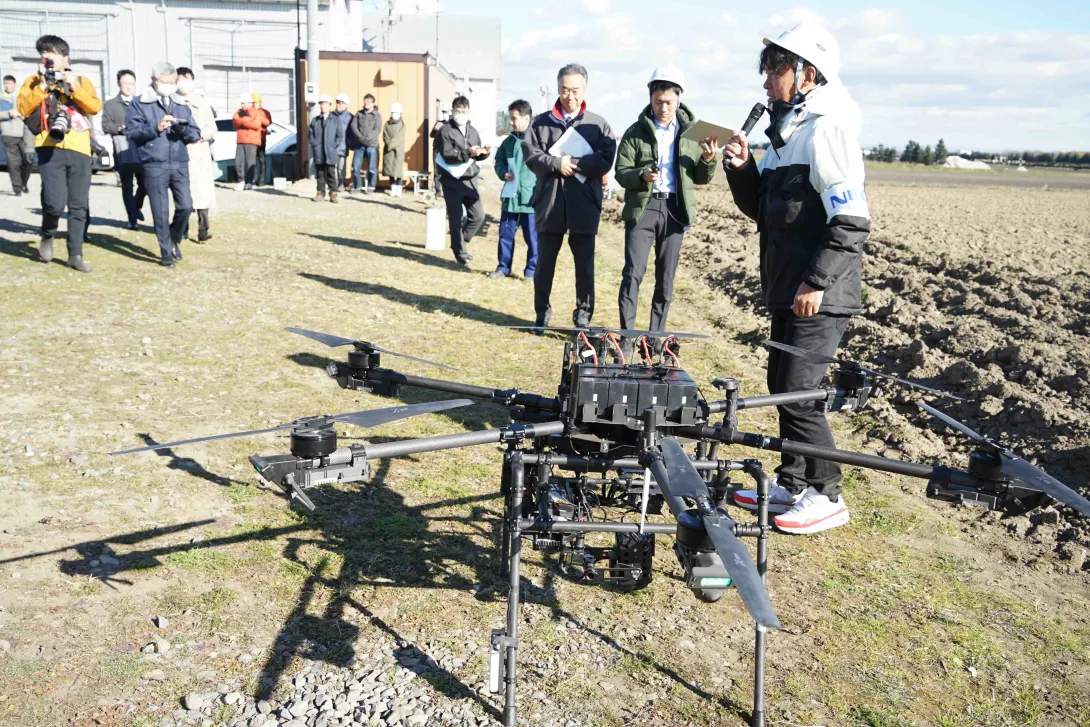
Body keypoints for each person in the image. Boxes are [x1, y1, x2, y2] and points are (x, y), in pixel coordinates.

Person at [723, 23, 870, 535]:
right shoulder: (788, 135)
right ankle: (793, 480)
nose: (765, 81)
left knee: (800, 391)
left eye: (775, 69)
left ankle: (827, 494)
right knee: (780, 386)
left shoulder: (826, 129)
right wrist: (743, 168)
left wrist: (816, 281)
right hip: (789, 287)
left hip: (818, 292)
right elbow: (764, 212)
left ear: (807, 74)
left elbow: (851, 221)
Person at [614, 65, 718, 338]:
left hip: (674, 210)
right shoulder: (635, 132)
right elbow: (621, 172)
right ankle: (626, 338)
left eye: (669, 102)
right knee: (633, 274)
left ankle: (656, 339)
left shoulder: (694, 133)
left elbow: (701, 177)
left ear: (679, 99)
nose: (663, 107)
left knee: (666, 279)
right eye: (658, 102)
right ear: (650, 99)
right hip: (643, 209)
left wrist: (708, 159)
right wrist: (641, 175)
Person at [523, 63, 616, 328]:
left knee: (585, 267)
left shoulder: (598, 125)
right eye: (565, 90)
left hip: (584, 204)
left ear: (584, 89)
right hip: (549, 202)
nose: (570, 96)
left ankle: (583, 317)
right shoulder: (541, 123)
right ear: (558, 89)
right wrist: (556, 164)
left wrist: (575, 162)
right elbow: (531, 155)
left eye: (575, 90)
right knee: (545, 264)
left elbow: (606, 158)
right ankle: (541, 313)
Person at [17, 34, 102, 271]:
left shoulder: (81, 80)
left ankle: (75, 254)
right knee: (54, 203)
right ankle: (48, 233)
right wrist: (42, 87)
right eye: (43, 54)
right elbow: (23, 107)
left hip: (79, 147)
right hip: (49, 146)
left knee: (78, 204)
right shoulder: (33, 81)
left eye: (51, 53)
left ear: (65, 57)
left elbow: (95, 107)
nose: (46, 57)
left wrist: (74, 87)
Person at [126, 61, 200, 269]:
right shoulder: (140, 103)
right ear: (154, 81)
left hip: (179, 162)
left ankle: (174, 237)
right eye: (165, 82)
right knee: (160, 211)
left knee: (186, 205)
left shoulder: (180, 104)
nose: (169, 85)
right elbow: (132, 133)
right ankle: (166, 252)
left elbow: (195, 132)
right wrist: (156, 128)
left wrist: (183, 130)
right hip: (153, 163)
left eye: (172, 82)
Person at [433, 96, 491, 267]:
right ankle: (460, 253)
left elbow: (477, 155)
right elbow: (448, 155)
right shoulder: (445, 131)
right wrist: (467, 152)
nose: (461, 115)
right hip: (452, 180)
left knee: (478, 216)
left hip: (470, 179)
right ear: (452, 112)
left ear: (469, 111)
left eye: (464, 111)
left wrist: (484, 152)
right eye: (458, 111)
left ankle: (460, 240)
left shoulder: (473, 131)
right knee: (456, 217)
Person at [490, 99, 537, 281]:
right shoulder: (508, 141)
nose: (511, 122)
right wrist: (503, 173)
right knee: (505, 235)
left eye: (514, 118)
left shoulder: (537, 140)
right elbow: (499, 161)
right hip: (510, 198)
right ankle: (503, 268)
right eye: (510, 118)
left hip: (530, 199)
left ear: (526, 118)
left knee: (533, 238)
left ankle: (532, 272)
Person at [101, 69, 146, 229]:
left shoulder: (141, 102)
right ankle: (132, 219)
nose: (128, 87)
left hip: (141, 149)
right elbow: (105, 125)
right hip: (122, 150)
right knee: (127, 185)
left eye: (131, 84)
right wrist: (119, 128)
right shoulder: (110, 104)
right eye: (125, 83)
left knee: (145, 183)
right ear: (118, 84)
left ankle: (136, 206)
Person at [176, 67, 216, 242]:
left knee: (203, 193)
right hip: (180, 152)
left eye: (187, 78)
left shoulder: (201, 102)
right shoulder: (172, 102)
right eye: (181, 78)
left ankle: (203, 229)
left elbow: (212, 127)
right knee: (182, 192)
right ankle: (182, 229)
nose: (184, 82)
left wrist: (203, 135)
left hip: (199, 151)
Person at [1, 74, 35, 196]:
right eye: (6, 83)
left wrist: (19, 114)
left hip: (24, 132)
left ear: (15, 84)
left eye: (10, 83)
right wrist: (7, 114)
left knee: (28, 161)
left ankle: (23, 183)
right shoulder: (1, 98)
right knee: (13, 163)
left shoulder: (22, 97)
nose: (8, 86)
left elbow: (30, 112)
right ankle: (17, 188)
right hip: (8, 133)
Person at [309, 94, 342, 203]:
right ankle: (320, 193)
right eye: (321, 104)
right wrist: (315, 145)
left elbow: (339, 135)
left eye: (324, 104)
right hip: (319, 151)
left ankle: (333, 193)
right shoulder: (315, 120)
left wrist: (333, 145)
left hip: (330, 152)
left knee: (332, 174)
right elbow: (311, 134)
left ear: (329, 106)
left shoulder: (335, 120)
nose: (322, 106)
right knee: (320, 174)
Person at [348, 93, 380, 193]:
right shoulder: (359, 114)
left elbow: (377, 129)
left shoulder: (376, 115)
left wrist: (368, 138)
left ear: (373, 103)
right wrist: (360, 137)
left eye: (369, 102)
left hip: (371, 145)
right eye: (365, 101)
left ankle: (371, 187)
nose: (366, 103)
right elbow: (353, 126)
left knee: (372, 168)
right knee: (356, 167)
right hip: (359, 144)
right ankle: (357, 186)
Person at [232, 93, 261, 190]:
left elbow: (256, 124)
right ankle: (241, 180)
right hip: (240, 140)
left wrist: (242, 122)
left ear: (250, 103)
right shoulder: (238, 112)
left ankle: (249, 182)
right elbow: (235, 122)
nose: (243, 105)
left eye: (245, 103)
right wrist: (247, 120)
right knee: (238, 161)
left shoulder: (256, 112)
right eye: (242, 103)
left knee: (250, 162)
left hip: (252, 141)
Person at [381, 101, 405, 194]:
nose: (395, 114)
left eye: (397, 112)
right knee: (390, 170)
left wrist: (391, 145)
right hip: (388, 151)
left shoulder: (402, 125)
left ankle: (399, 188)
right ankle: (393, 188)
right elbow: (385, 136)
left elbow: (400, 138)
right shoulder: (387, 124)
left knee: (398, 170)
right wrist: (389, 145)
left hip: (398, 150)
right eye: (393, 112)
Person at [332, 93, 352, 190]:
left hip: (343, 146)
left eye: (340, 103)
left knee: (341, 167)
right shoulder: (331, 115)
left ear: (345, 104)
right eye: (337, 103)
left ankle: (341, 183)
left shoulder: (350, 117)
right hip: (332, 146)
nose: (338, 105)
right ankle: (334, 184)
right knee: (333, 167)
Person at [251, 93, 272, 187]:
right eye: (253, 103)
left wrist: (258, 117)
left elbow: (268, 122)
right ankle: (253, 179)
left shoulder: (264, 112)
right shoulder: (249, 112)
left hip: (261, 139)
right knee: (252, 160)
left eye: (256, 102)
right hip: (251, 139)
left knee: (262, 160)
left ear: (260, 102)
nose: (255, 105)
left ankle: (262, 180)